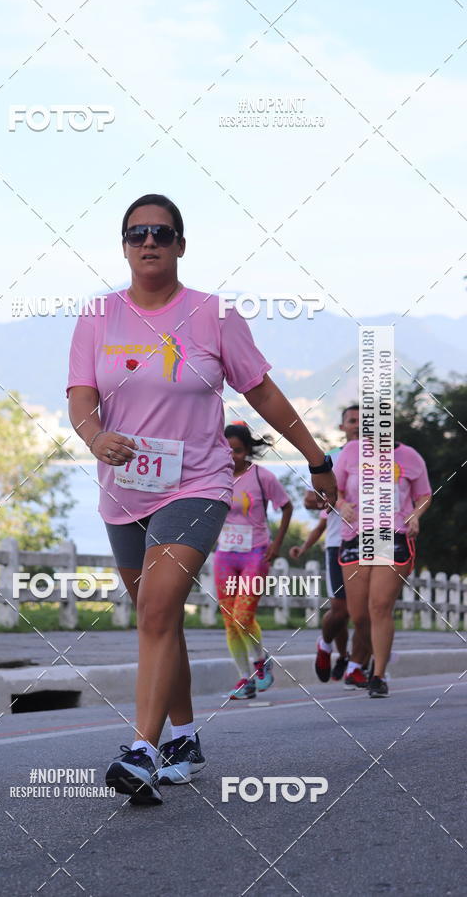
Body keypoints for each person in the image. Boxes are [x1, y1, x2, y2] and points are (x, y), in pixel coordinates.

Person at [67, 193, 337, 805]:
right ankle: (185, 739)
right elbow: (81, 396)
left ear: (181, 244)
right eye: (137, 234)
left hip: (197, 482)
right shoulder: (98, 316)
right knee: (155, 617)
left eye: (162, 232)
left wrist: (317, 459)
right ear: (125, 247)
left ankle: (140, 750)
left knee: (161, 608)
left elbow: (263, 394)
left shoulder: (214, 316)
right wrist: (94, 436)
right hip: (125, 490)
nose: (150, 242)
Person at [336, 436, 431, 697]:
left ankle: (378, 675)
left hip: (392, 535)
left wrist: (415, 514)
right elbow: (334, 490)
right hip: (356, 536)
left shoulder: (410, 456)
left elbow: (424, 495)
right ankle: (375, 656)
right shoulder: (351, 451)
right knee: (359, 615)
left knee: (379, 606)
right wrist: (342, 505)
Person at [214, 422, 292, 699]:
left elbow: (286, 506)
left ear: (247, 450)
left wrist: (276, 545)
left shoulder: (263, 477)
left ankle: (261, 661)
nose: (231, 455)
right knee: (229, 620)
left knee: (243, 616)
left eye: (236, 450)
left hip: (256, 552)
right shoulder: (214, 476)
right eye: (226, 450)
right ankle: (243, 678)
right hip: (225, 554)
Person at [295, 405, 371, 683]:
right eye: (352, 421)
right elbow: (308, 500)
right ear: (343, 427)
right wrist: (337, 501)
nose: (358, 426)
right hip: (341, 541)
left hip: (378, 541)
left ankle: (358, 666)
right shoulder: (333, 458)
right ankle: (326, 645)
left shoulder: (385, 458)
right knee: (342, 609)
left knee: (371, 609)